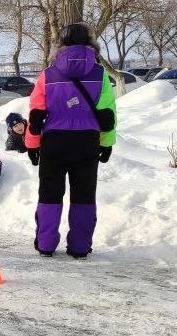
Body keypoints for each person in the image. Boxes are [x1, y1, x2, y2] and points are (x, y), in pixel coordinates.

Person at [25, 23, 117, 259]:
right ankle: (79, 246)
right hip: (86, 142)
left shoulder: (47, 75)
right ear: (91, 45)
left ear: (60, 46)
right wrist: (106, 143)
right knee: (84, 195)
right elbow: (107, 115)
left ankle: (45, 244)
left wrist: (32, 144)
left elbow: (36, 114)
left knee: (49, 194)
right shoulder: (100, 75)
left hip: (54, 143)